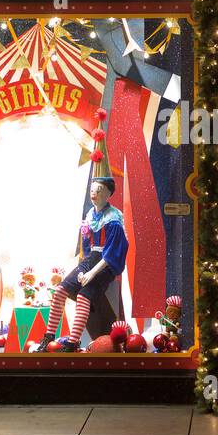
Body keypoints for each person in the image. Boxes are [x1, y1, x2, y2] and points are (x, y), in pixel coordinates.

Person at [42, 112, 129, 350]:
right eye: (92, 189)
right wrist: (84, 260)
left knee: (83, 295)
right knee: (60, 291)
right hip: (89, 261)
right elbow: (88, 249)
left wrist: (91, 274)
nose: (94, 193)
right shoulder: (91, 215)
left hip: (104, 265)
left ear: (108, 193)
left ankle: (72, 342)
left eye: (99, 189)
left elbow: (111, 254)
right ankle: (49, 336)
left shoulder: (113, 219)